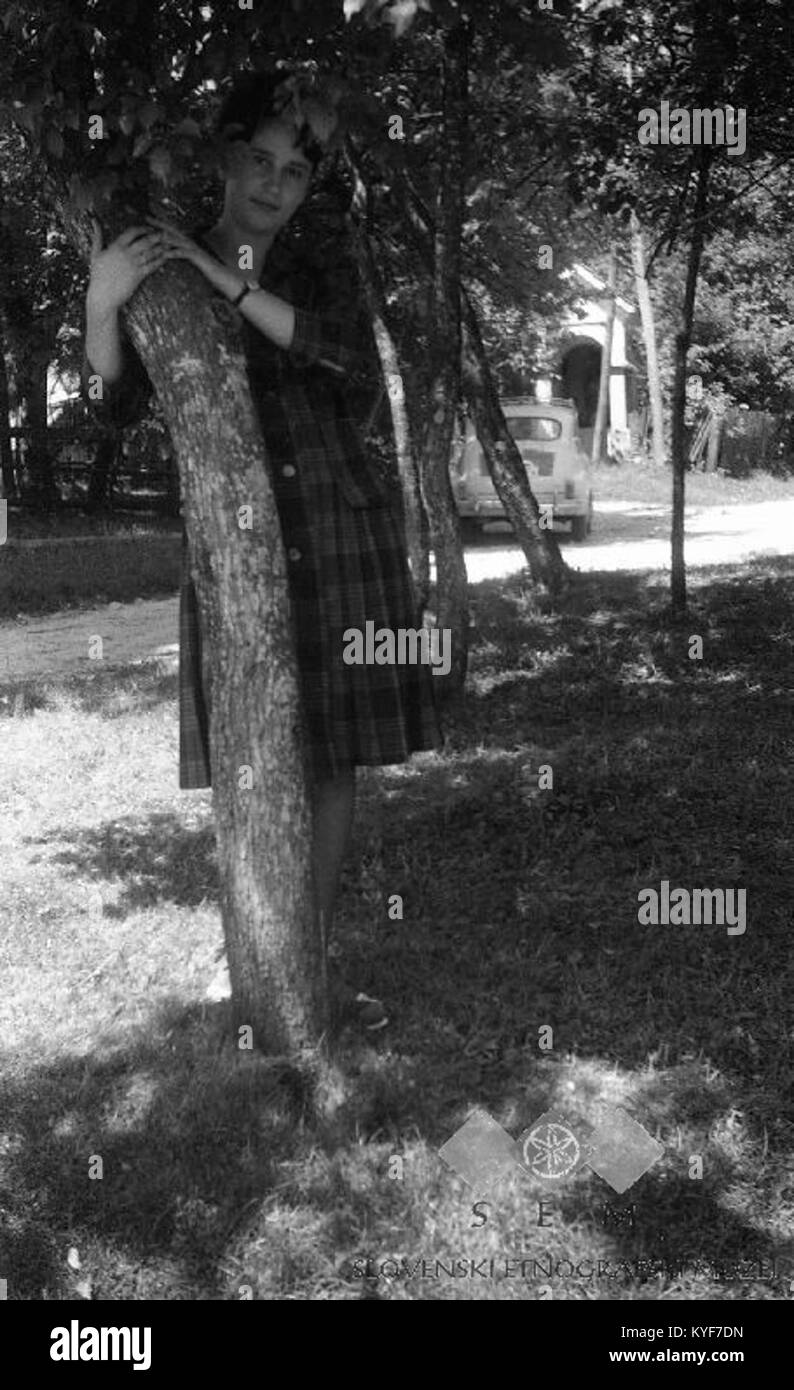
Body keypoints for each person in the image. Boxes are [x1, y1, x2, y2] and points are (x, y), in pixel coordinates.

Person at [83, 70, 441, 1029]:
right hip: (236, 550)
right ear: (227, 161)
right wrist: (103, 300)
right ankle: (246, 953)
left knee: (330, 760)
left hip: (334, 530)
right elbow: (121, 404)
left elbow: (348, 360)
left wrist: (228, 281)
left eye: (294, 171)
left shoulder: (317, 265)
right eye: (259, 161)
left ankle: (303, 963)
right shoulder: (165, 260)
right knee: (254, 747)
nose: (275, 185)